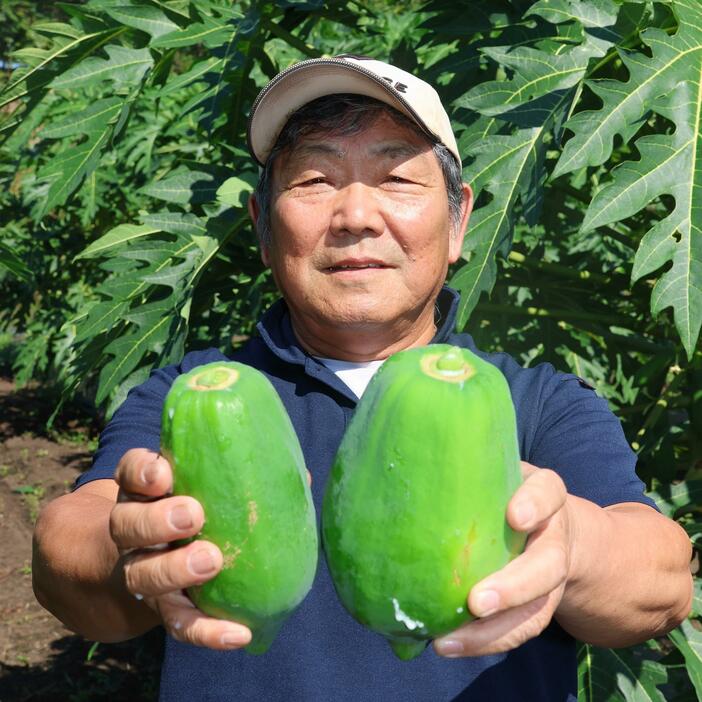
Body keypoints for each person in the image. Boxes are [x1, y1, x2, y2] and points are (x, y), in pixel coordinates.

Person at [32, 55, 692, 701]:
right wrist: (129, 556)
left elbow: (661, 580)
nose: (355, 215)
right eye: (314, 180)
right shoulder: (203, 392)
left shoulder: (537, 401)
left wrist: (574, 546)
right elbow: (67, 549)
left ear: (459, 220)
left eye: (397, 178)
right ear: (264, 228)